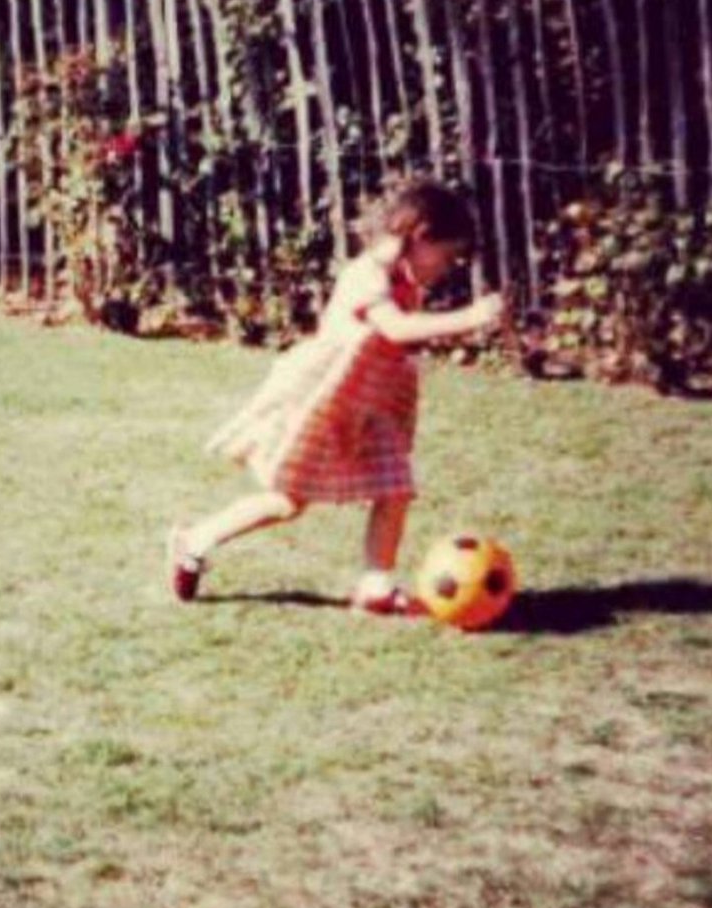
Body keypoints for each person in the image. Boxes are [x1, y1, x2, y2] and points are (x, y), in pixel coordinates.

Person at [168, 178, 502, 615]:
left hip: (371, 403)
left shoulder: (405, 279)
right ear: (419, 237)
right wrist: (469, 318)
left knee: (395, 488)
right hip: (327, 398)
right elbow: (396, 329)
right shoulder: (367, 275)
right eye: (446, 255)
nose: (448, 267)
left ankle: (375, 585)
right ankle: (194, 540)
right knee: (287, 501)